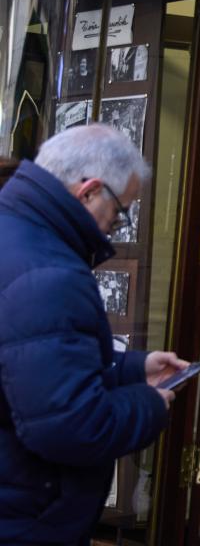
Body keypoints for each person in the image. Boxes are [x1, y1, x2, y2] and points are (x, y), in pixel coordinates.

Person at [0, 124, 187, 544]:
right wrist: (149, 403)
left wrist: (132, 368)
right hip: (27, 518)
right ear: (89, 192)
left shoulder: (13, 234)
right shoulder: (49, 273)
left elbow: (27, 366)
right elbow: (71, 427)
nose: (115, 228)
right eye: (120, 212)